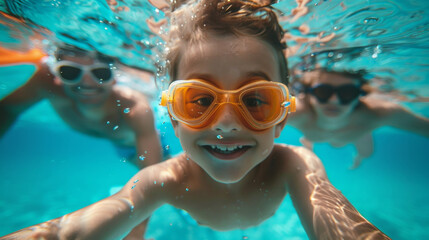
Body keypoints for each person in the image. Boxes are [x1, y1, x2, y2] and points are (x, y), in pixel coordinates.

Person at [0, 0, 390, 239]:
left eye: (256, 101)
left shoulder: (295, 164)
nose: (225, 123)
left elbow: (343, 226)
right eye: (198, 100)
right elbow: (78, 231)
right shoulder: (164, 179)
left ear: (281, 119)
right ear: (170, 113)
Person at [0, 45, 163, 169]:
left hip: (132, 146)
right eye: (70, 72)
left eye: (100, 73)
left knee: (168, 176)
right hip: (122, 141)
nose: (86, 83)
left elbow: (151, 176)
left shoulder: (134, 107)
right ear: (57, 73)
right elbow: (6, 109)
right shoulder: (46, 83)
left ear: (114, 78)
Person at [288, 67, 429, 169]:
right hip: (318, 132)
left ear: (359, 96)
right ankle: (308, 144)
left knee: (366, 153)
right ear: (308, 93)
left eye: (347, 93)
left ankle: (358, 157)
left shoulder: (376, 115)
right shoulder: (297, 112)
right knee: (316, 138)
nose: (334, 100)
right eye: (323, 91)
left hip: (356, 131)